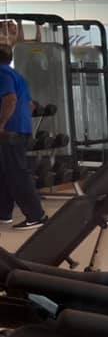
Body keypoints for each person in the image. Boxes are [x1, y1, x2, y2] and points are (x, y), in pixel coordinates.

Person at [0, 21, 47, 230]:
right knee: (4, 173)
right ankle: (3, 213)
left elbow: (10, 99)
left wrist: (1, 124)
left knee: (17, 174)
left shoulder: (2, 74)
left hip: (11, 131)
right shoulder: (15, 74)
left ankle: (36, 215)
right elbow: (28, 104)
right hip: (20, 129)